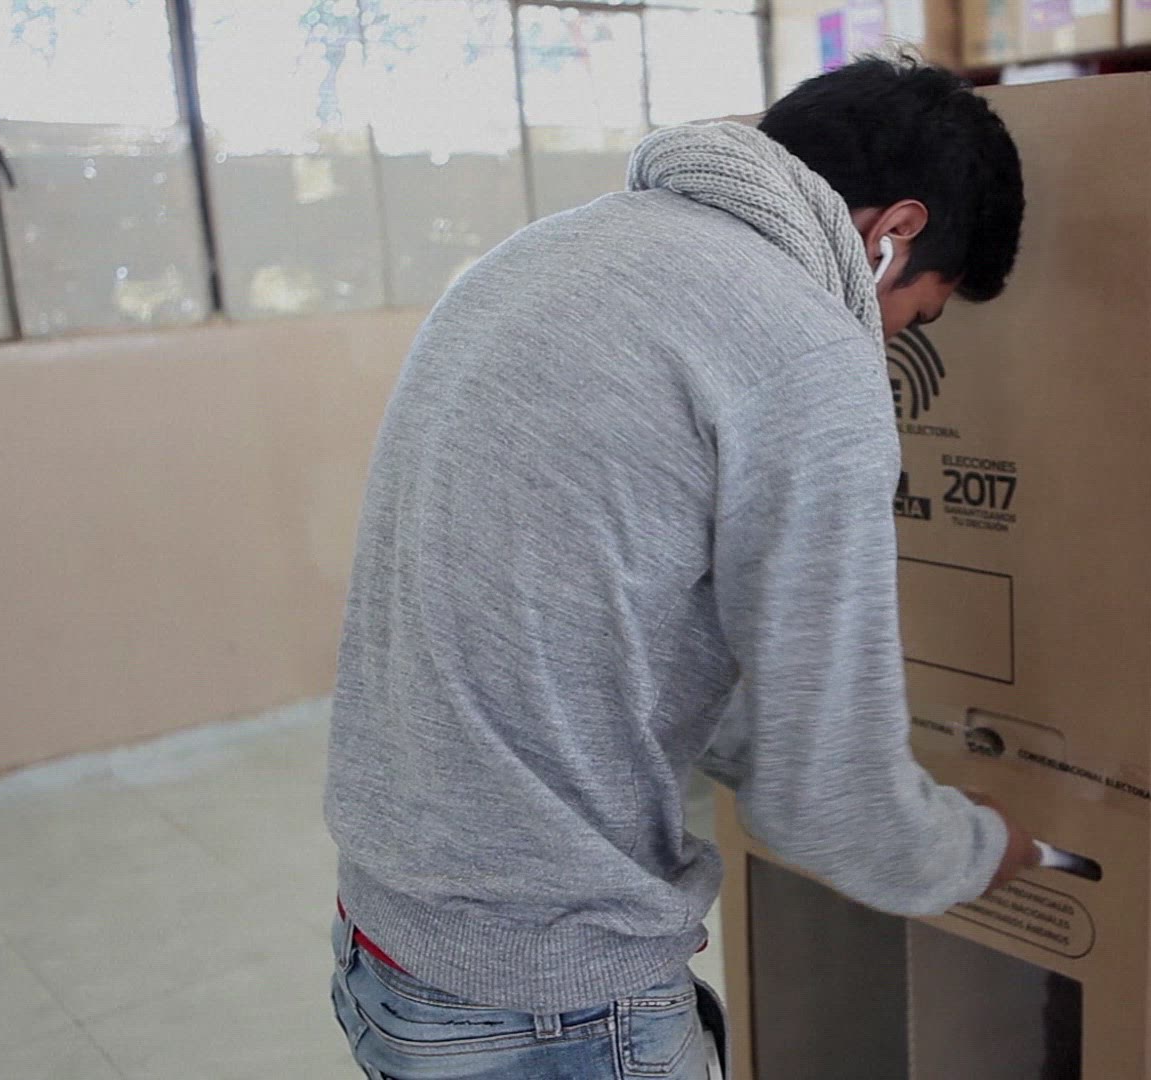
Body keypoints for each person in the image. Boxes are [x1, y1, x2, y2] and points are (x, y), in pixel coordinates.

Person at [324, 55, 1035, 1080]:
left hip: (386, 938)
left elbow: (617, 629)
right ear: (893, 234)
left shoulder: (539, 255)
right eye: (915, 317)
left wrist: (780, 735)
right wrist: (982, 850)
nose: (887, 342)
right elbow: (828, 806)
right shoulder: (807, 352)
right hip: (547, 996)